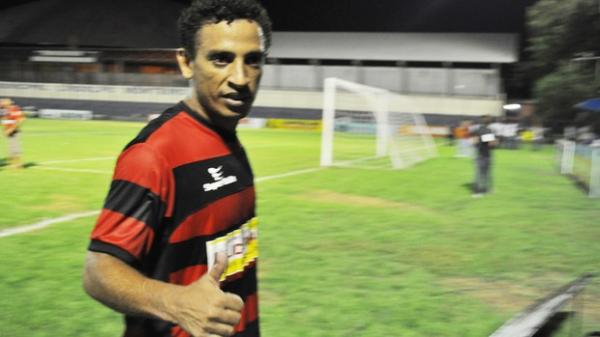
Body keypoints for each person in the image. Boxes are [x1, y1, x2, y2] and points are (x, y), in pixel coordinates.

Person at [82, 1, 271, 337]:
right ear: (186, 62)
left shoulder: (228, 139)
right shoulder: (154, 154)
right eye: (221, 59)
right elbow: (98, 271)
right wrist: (177, 302)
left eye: (252, 60)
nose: (240, 78)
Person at [472, 115, 497, 197]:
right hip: (487, 154)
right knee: (487, 173)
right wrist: (495, 142)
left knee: (478, 174)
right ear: (490, 122)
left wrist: (480, 142)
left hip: (479, 154)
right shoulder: (489, 130)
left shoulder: (477, 130)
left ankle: (477, 192)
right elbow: (491, 144)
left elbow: (474, 142)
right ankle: (488, 189)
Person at [1, 98, 26, 168]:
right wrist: (5, 129)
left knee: (16, 147)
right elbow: (4, 120)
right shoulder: (4, 110)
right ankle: (13, 163)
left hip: (15, 131)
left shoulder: (15, 109)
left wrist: (12, 129)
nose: (2, 104)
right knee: (10, 148)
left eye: (4, 102)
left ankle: (19, 164)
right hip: (8, 130)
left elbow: (21, 119)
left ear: (8, 103)